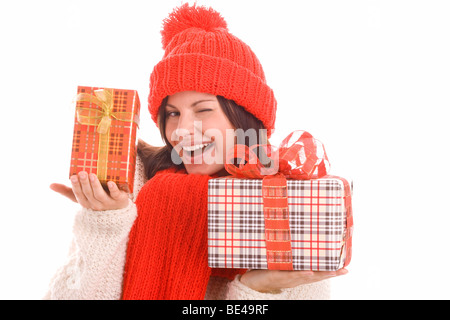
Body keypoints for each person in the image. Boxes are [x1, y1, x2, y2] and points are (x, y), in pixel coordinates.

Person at [45, 3, 347, 300]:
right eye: (172, 113)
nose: (181, 130)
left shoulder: (288, 201)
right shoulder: (131, 186)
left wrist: (257, 289)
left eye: (202, 110)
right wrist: (104, 225)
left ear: (244, 118)